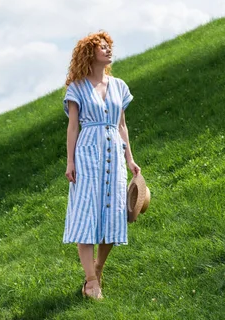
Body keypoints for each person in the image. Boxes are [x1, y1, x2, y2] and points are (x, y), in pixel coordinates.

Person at [62, 30, 141, 300]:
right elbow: (73, 127)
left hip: (114, 155)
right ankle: (91, 282)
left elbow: (121, 125)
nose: (108, 50)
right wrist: (70, 161)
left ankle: (97, 268)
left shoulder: (119, 85)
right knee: (86, 214)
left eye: (109, 47)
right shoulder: (77, 87)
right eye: (102, 47)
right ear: (89, 53)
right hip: (87, 155)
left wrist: (130, 158)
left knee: (115, 213)